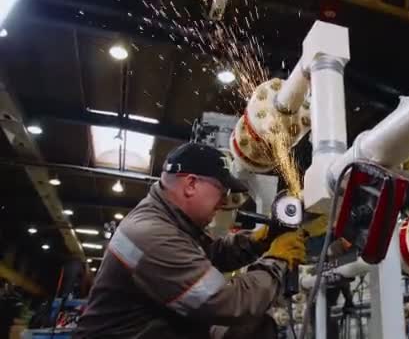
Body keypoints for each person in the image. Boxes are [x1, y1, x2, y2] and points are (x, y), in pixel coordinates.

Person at [74, 142, 307, 339]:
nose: (223, 202)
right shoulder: (152, 234)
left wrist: (258, 241)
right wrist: (277, 260)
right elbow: (227, 301)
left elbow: (210, 254)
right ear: (191, 184)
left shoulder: (168, 220)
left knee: (253, 328)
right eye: (221, 191)